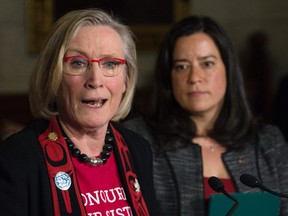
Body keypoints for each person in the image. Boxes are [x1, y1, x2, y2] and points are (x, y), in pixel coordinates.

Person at [122, 15, 288, 215]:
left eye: (207, 64)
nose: (194, 78)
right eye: (182, 66)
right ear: (168, 76)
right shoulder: (136, 139)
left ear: (228, 69)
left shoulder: (269, 142)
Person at [0, 9, 157, 216]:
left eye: (110, 64)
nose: (95, 80)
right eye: (78, 63)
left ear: (126, 81)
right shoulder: (15, 159)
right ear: (53, 77)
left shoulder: (138, 149)